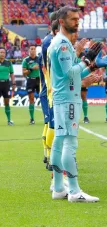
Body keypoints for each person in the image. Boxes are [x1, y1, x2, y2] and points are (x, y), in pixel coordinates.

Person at [48, 6, 107, 202]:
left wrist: (92, 65)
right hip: (67, 99)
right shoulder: (62, 44)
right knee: (70, 142)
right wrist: (88, 60)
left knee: (59, 142)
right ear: (62, 22)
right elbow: (70, 73)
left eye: (78, 18)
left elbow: (73, 73)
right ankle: (75, 191)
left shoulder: (60, 42)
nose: (77, 22)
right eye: (72, 19)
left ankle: (59, 188)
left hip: (63, 97)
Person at [40, 12, 61, 170]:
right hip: (51, 89)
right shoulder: (51, 42)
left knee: (49, 123)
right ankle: (51, 158)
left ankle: (47, 156)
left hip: (48, 88)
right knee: (52, 124)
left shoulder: (49, 40)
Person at [22, 45, 40, 125]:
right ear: (29, 50)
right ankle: (32, 118)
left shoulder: (39, 59)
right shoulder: (26, 60)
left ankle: (47, 117)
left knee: (44, 98)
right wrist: (32, 68)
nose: (32, 50)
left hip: (39, 80)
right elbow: (24, 73)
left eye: (34, 49)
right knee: (31, 99)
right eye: (31, 49)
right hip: (30, 80)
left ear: (36, 50)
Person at [0, 47, 15, 126]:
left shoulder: (9, 63)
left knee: (7, 102)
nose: (2, 54)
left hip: (6, 84)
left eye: (3, 52)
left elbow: (12, 74)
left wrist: (13, 83)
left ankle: (9, 120)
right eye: (1, 52)